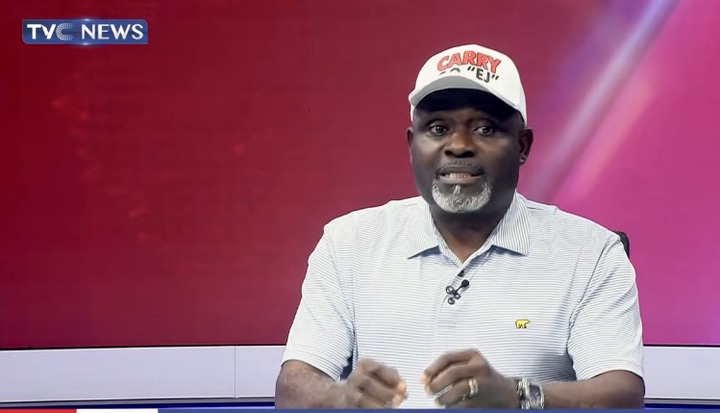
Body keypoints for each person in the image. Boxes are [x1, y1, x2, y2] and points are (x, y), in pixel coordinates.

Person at [274, 44, 644, 409]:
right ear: (412, 145)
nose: (459, 146)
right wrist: (342, 397)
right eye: (438, 128)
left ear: (522, 146)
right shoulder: (349, 242)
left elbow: (622, 395)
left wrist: (517, 396)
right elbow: (293, 388)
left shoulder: (590, 252)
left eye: (485, 129)